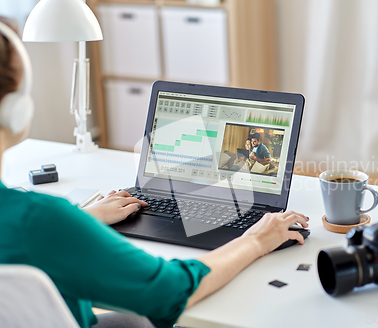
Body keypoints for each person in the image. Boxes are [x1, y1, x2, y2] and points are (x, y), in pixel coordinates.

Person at [0, 19, 309, 328]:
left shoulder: (33, 221)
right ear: (16, 110)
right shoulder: (40, 220)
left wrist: (83, 220)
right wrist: (255, 240)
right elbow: (169, 292)